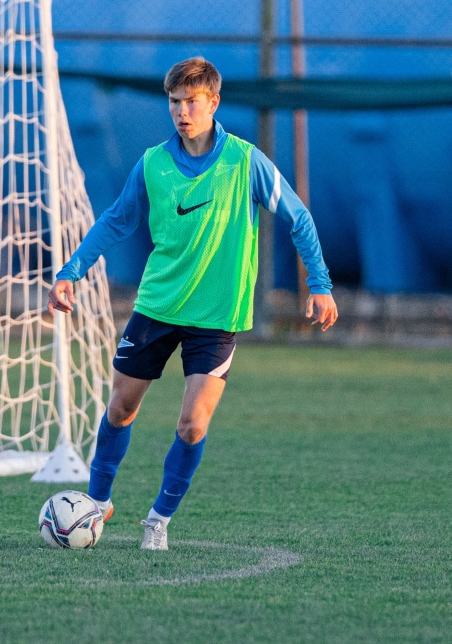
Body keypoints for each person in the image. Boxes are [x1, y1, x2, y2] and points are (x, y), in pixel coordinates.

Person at [48, 57, 338, 551]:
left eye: (191, 102)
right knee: (120, 407)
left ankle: (158, 521)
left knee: (192, 423)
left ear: (213, 103)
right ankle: (96, 503)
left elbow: (298, 217)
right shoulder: (153, 163)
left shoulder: (245, 162)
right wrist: (70, 272)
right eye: (174, 102)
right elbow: (116, 220)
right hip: (157, 306)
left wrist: (320, 282)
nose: (182, 112)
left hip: (216, 316)